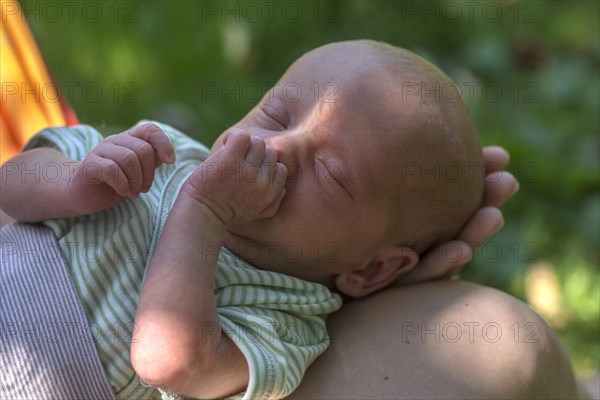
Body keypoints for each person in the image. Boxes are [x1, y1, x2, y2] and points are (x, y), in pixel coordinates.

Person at [0, 40, 585, 399]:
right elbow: (10, 186)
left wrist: (202, 211)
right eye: (277, 111)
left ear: (373, 268)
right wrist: (71, 182)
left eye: (329, 176)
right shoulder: (170, 156)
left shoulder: (286, 322)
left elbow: (167, 361)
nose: (277, 148)